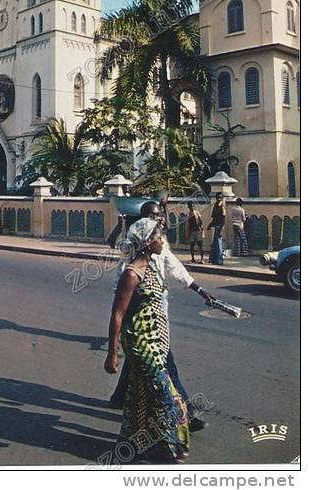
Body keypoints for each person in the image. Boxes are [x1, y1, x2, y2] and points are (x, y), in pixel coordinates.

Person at [109, 200, 213, 434]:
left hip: (156, 316)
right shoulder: (132, 253)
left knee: (138, 368)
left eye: (161, 215)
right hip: (141, 323)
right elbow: (120, 303)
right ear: (145, 220)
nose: (161, 219)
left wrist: (199, 289)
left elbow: (176, 268)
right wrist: (113, 349)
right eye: (155, 216)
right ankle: (184, 414)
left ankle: (120, 400)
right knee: (165, 368)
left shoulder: (159, 245)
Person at [105, 219, 189, 463]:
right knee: (165, 396)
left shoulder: (151, 267)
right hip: (141, 344)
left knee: (138, 396)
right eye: (158, 237)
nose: (162, 241)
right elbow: (117, 314)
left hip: (157, 342)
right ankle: (166, 448)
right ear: (146, 242)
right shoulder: (131, 274)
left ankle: (129, 443)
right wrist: (113, 353)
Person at [207, 193, 225, 265]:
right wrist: (210, 225)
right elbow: (214, 217)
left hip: (219, 226)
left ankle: (219, 260)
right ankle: (214, 260)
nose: (219, 199)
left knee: (218, 243)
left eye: (220, 197)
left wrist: (221, 229)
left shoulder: (222, 206)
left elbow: (223, 218)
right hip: (216, 225)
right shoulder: (215, 205)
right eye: (218, 197)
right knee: (215, 244)